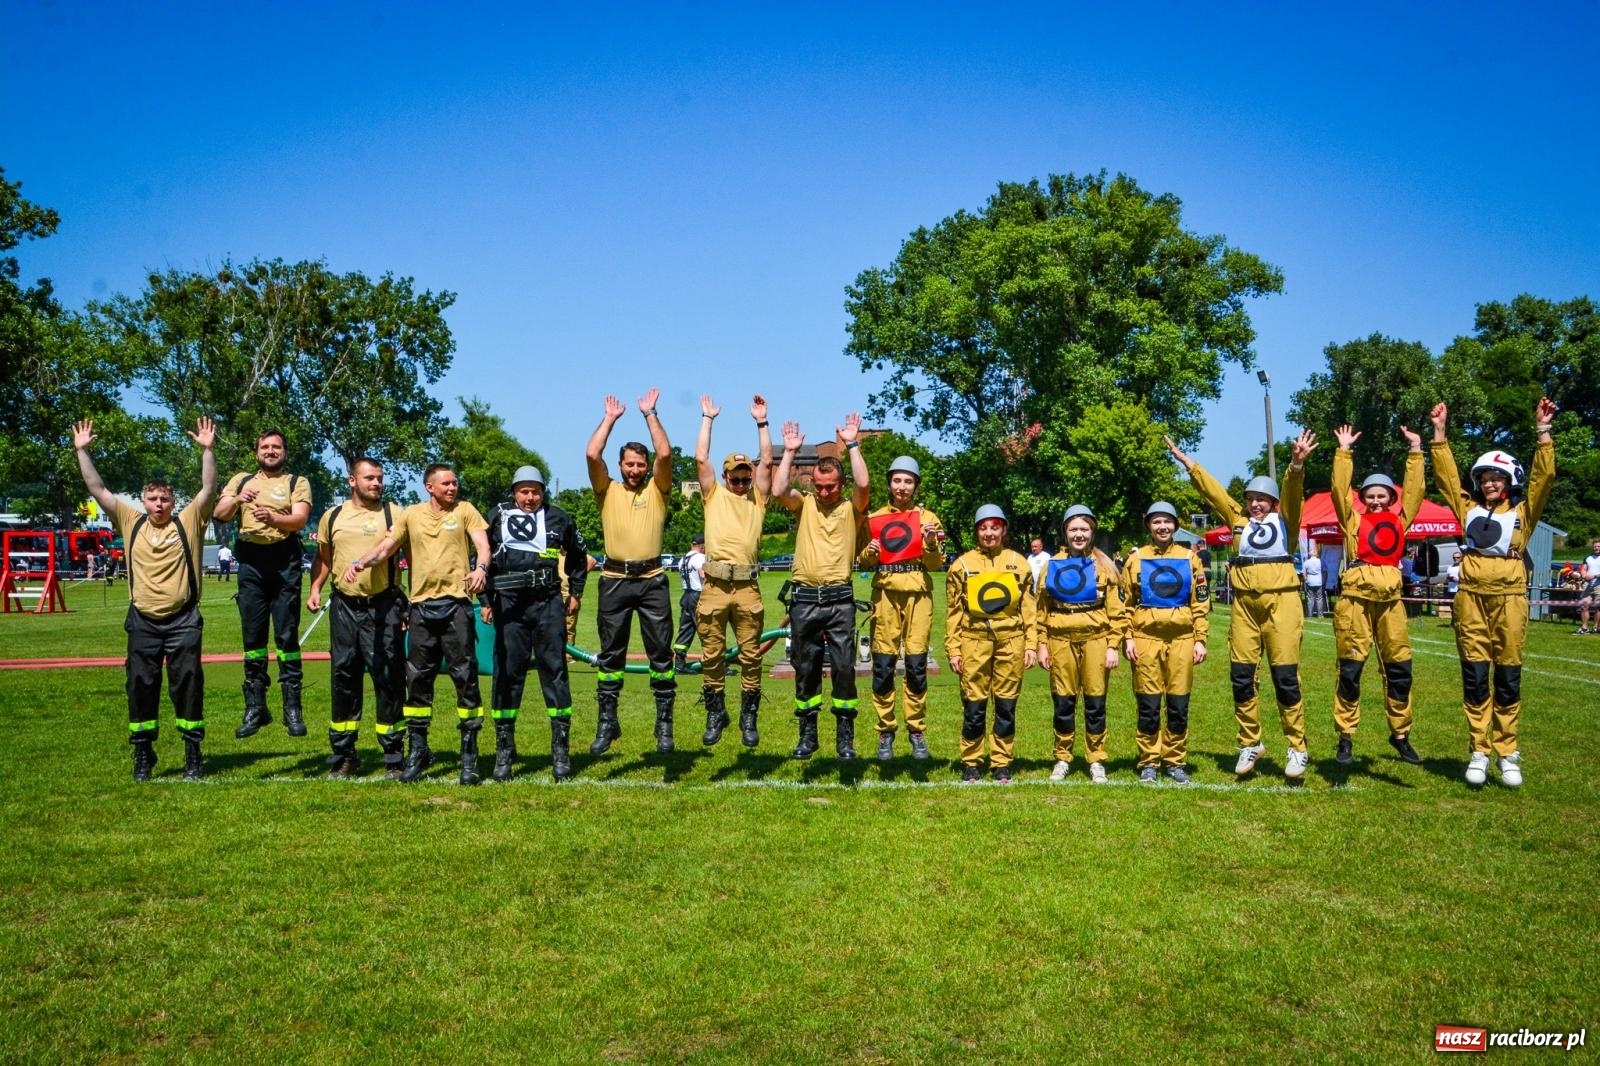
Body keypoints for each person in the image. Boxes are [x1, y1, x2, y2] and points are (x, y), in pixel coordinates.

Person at [73, 417, 217, 780]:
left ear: (173, 501)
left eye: (164, 498)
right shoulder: (129, 520)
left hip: (183, 619)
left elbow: (208, 488)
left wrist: (207, 450)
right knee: (140, 686)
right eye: (152, 499)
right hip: (143, 621)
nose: (158, 504)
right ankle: (143, 753)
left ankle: (192, 752)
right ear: (141, 501)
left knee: (187, 685)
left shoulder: (188, 520)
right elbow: (97, 488)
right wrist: (82, 451)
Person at [1166, 431, 1315, 780]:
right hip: (1245, 606)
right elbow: (1213, 491)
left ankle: (1297, 747)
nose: (1255, 504)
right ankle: (1250, 742)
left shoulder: (1286, 521)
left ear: (1274, 502)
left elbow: (1293, 494)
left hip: (1283, 603)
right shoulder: (1238, 521)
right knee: (1242, 677)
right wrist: (1187, 462)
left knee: (1285, 678)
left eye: (1262, 499)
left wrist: (1296, 466)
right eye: (1251, 498)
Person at [1431, 398, 1557, 787]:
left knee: (1507, 677)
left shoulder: (1523, 513)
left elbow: (1543, 479)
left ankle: (1507, 751)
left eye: (1497, 478)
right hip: (1470, 597)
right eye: (1485, 477)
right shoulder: (1466, 506)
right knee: (1475, 675)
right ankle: (1479, 750)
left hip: (1509, 599)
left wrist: (1543, 432)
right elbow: (1447, 479)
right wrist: (1440, 434)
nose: (1490, 482)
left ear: (1509, 482)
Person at [345, 463, 491, 784]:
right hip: (421, 609)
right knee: (418, 682)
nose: (452, 488)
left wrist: (480, 568)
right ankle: (419, 750)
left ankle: (469, 753)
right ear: (429, 487)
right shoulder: (410, 514)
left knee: (464, 678)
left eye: (455, 483)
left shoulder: (465, 510)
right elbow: (386, 547)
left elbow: (482, 543)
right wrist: (360, 562)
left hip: (457, 607)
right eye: (446, 484)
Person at [1326, 424, 1427, 767]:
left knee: (1399, 670)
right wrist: (1344, 452)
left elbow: (1415, 492)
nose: (1375, 499)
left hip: (1391, 604)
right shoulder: (1352, 521)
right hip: (1354, 601)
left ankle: (1400, 735)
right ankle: (1345, 738)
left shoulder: (1401, 520)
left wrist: (1415, 452)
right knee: (1351, 670)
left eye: (1382, 495)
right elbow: (1339, 491)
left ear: (1391, 498)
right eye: (1370, 495)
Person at [480, 466, 588, 782]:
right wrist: (486, 601)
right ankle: (504, 751)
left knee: (554, 673)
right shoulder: (496, 516)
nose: (530, 497)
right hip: (510, 605)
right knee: (507, 675)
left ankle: (560, 752)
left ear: (543, 492)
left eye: (536, 491)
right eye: (524, 491)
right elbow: (481, 558)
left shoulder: (559, 518)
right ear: (514, 492)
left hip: (548, 604)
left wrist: (576, 592)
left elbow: (578, 555)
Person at [774, 415, 871, 759]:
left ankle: (845, 738)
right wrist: (788, 452)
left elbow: (864, 483)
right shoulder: (804, 505)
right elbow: (778, 490)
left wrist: (853, 443)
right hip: (804, 601)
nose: (824, 491)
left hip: (840, 600)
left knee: (845, 669)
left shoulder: (851, 509)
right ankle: (808, 734)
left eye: (830, 486)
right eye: (819, 485)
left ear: (840, 485)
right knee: (806, 668)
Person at [585, 389, 677, 754]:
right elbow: (592, 454)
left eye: (641, 464)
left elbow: (666, 454)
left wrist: (650, 413)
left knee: (661, 655)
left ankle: (664, 724)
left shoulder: (659, 490)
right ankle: (608, 722)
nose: (635, 470)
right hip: (614, 582)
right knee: (610, 656)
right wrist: (609, 419)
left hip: (652, 581)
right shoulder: (606, 490)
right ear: (620, 466)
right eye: (629, 464)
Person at [305, 457, 407, 778]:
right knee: (344, 677)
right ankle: (345, 755)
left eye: (379, 478)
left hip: (384, 605)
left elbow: (409, 554)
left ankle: (393, 757)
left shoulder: (394, 514)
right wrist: (316, 588)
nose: (376, 483)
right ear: (352, 481)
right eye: (369, 478)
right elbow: (324, 558)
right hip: (344, 607)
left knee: (388, 678)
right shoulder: (332, 517)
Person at [213, 430, 313, 740]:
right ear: (257, 451)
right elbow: (219, 513)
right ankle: (255, 706)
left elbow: (299, 521)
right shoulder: (241, 480)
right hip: (251, 561)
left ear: (285, 451)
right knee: (253, 635)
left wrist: (272, 519)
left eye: (276, 447)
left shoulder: (297, 482)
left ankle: (292, 707)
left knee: (286, 634)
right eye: (265, 447)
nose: (270, 451)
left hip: (284, 560)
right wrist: (237, 500)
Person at [694, 395, 774, 748]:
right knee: (711, 654)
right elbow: (700, 458)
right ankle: (715, 712)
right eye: (736, 478)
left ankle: (748, 716)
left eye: (746, 478)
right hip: (714, 584)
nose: (741, 483)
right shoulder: (713, 495)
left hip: (746, 586)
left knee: (750, 655)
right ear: (725, 477)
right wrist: (708, 418)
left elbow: (768, 461)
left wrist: (762, 422)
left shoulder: (758, 498)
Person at [858, 455, 945, 760]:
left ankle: (916, 729)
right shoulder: (874, 519)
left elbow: (935, 565)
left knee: (916, 666)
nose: (902, 486)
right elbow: (863, 563)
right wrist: (869, 553)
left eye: (908, 481)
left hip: (918, 593)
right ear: (889, 483)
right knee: (882, 667)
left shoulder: (928, 518)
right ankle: (885, 731)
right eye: (897, 480)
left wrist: (931, 543)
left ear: (916, 485)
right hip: (885, 595)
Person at [944, 504, 1038, 782]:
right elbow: (953, 613)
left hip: (1012, 641)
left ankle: (1001, 761)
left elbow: (1029, 609)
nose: (989, 533)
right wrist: (953, 648)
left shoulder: (1019, 563)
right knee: (974, 705)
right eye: (983, 528)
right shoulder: (961, 565)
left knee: (1006, 706)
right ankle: (971, 761)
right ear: (976, 531)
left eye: (994, 527)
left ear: (1003, 530)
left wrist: (1031, 645)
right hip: (973, 642)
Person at [1120, 501, 1209, 783]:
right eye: (1156, 522)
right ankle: (1148, 760)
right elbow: (1125, 604)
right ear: (1148, 525)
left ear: (1175, 525)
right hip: (1146, 640)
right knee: (1148, 704)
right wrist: (1128, 637)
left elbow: (1200, 603)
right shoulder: (1135, 559)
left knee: (1178, 704)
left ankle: (1175, 761)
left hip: (1182, 639)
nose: (1162, 527)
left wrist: (1200, 639)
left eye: (1167, 522)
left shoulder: (1189, 558)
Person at [1036, 505, 1126, 783]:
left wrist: (1113, 645)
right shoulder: (1051, 566)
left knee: (1095, 701)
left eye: (1084, 529)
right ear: (1065, 532)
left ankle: (1096, 757)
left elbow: (1117, 612)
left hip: (1096, 640)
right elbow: (1040, 610)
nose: (1078, 534)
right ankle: (1062, 757)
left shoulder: (1105, 566)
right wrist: (1041, 644)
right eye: (1073, 529)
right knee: (1064, 701)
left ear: (1092, 532)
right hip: (1060, 639)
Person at [672, 534, 706, 673]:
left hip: (686, 595)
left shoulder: (683, 559)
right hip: (698, 595)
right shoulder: (700, 558)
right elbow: (703, 575)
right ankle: (716, 664)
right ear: (702, 545)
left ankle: (679, 664)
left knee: (685, 629)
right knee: (707, 629)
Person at [1576, 538, 1600, 634]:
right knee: (1584, 606)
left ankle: (1596, 627)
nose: (1596, 548)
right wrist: (1584, 575)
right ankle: (1584, 628)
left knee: (1599, 607)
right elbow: (1584, 568)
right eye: (1595, 546)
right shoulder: (1588, 557)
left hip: (1599, 585)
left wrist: (1594, 576)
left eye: (1598, 546)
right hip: (1588, 585)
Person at [1302, 551, 1326, 618]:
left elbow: (1304, 574)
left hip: (1310, 582)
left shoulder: (1306, 562)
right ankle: (1320, 615)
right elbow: (1325, 572)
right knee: (1319, 598)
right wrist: (1324, 581)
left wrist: (1306, 580)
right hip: (1319, 581)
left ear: (1310, 555)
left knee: (1310, 599)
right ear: (1316, 554)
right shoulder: (1321, 561)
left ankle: (1310, 614)